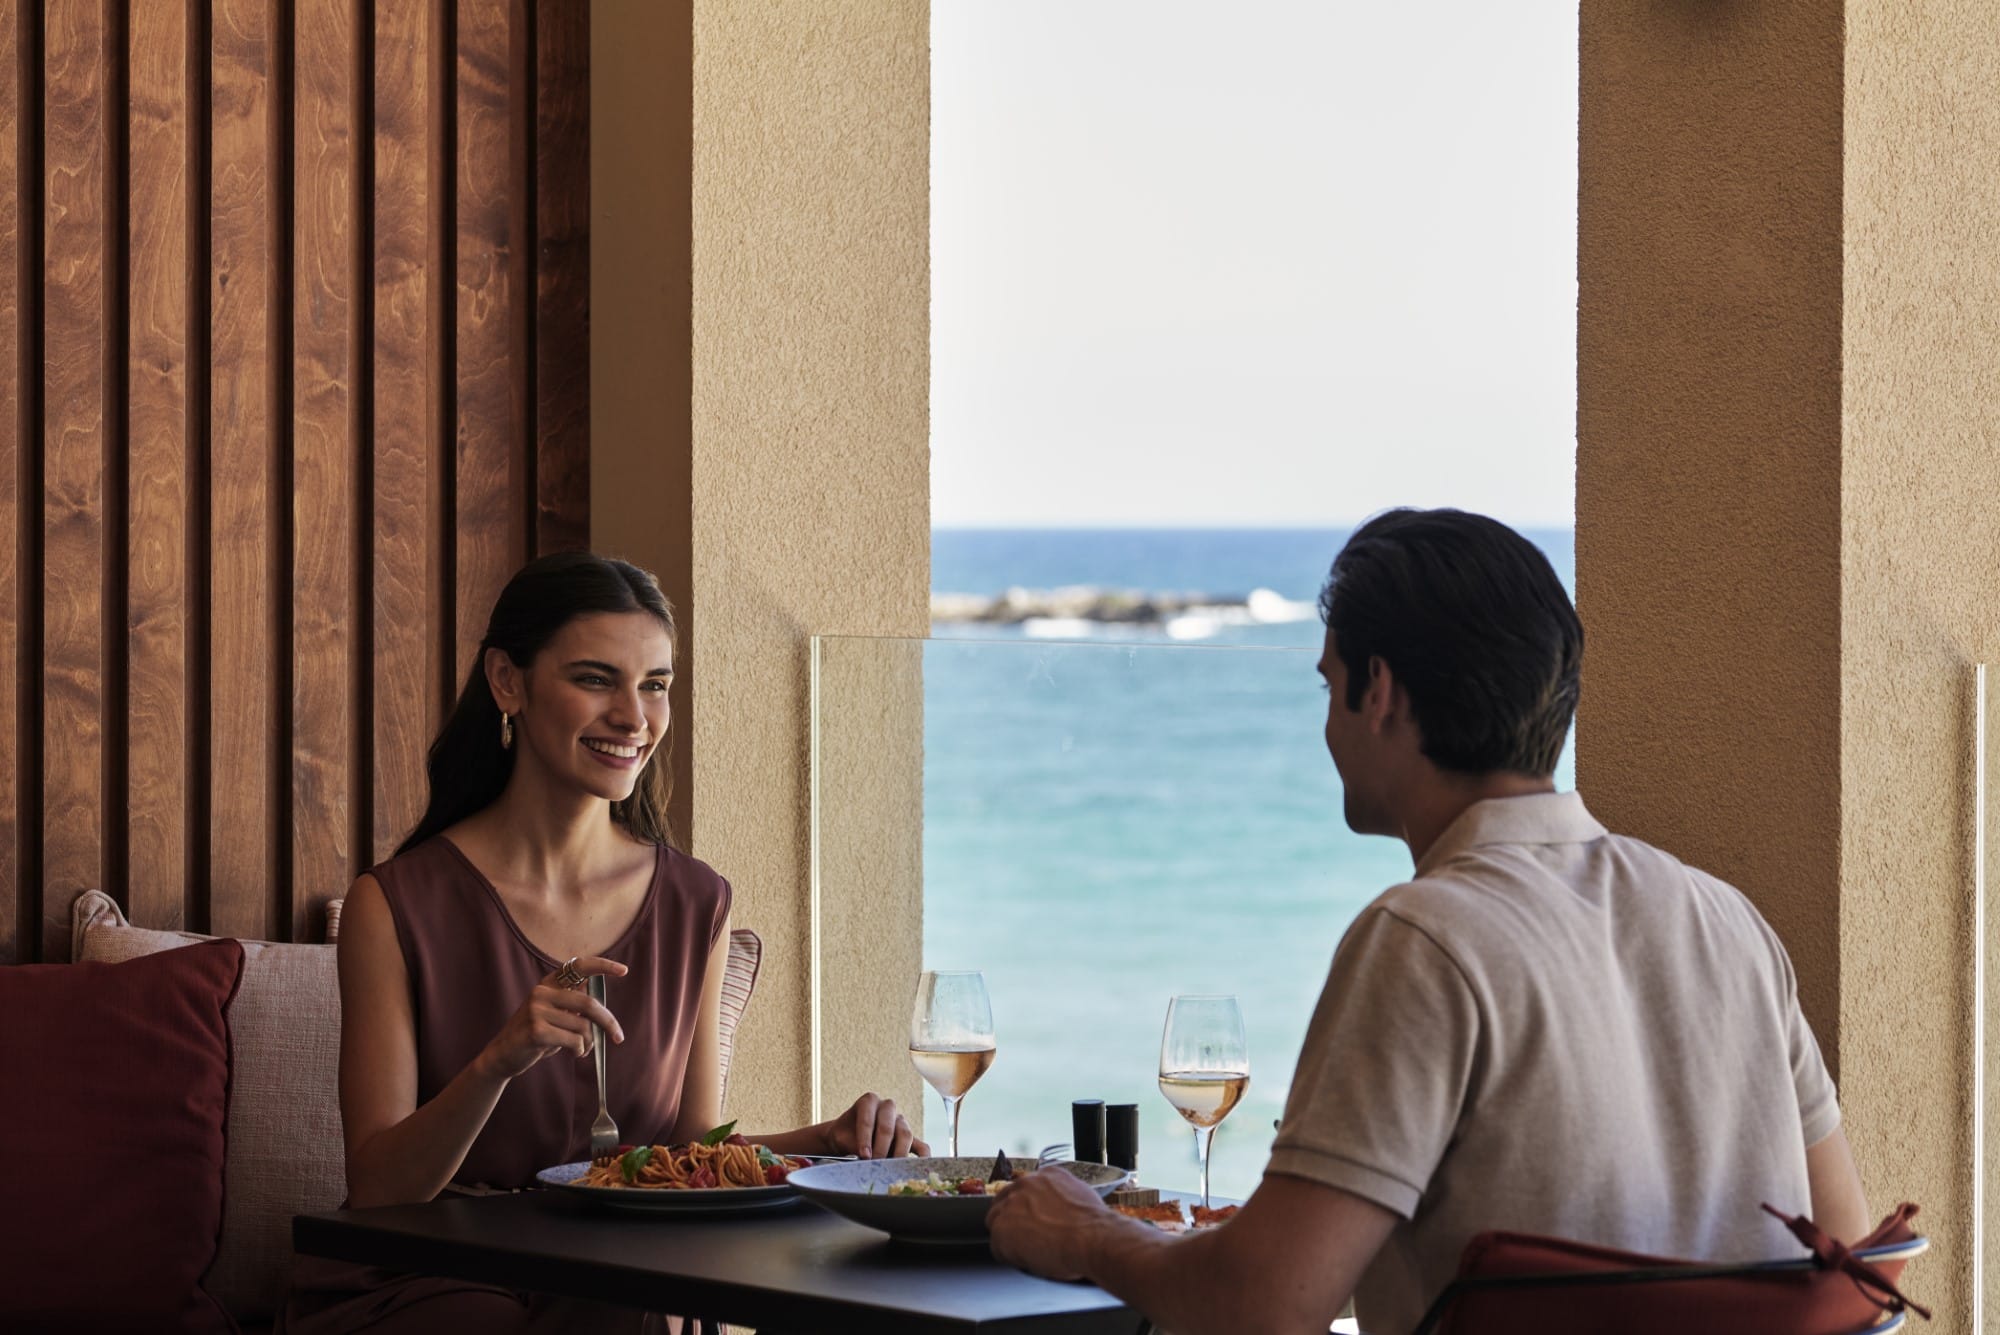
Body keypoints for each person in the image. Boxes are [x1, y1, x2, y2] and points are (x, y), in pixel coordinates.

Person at [988, 508, 1870, 1335]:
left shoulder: (1427, 938)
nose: (1325, 726)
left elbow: (1265, 1304)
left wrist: (1089, 1235)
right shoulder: (1729, 923)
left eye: (1329, 686)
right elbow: (1851, 1262)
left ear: (1380, 692)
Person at [286, 552, 923, 1334]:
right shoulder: (393, 905)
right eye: (596, 679)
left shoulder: (697, 902)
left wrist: (821, 1144)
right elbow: (380, 1190)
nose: (634, 716)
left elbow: (684, 1152)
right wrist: (498, 1061)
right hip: (432, 1279)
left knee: (617, 1311)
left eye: (655, 684)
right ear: (507, 681)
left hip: (607, 1277)